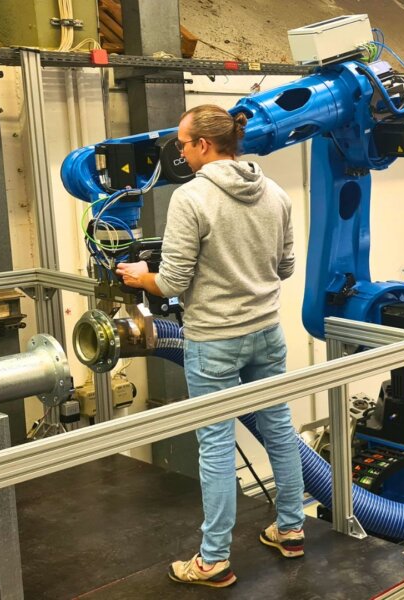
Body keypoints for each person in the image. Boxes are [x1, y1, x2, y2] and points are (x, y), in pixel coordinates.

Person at [116, 104, 305, 588]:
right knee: (280, 430)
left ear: (203, 145)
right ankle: (291, 530)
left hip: (214, 340)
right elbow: (284, 268)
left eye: (182, 143)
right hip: (267, 333)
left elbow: (173, 281)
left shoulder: (191, 197)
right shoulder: (276, 192)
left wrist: (141, 276)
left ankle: (214, 560)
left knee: (216, 446)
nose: (180, 151)